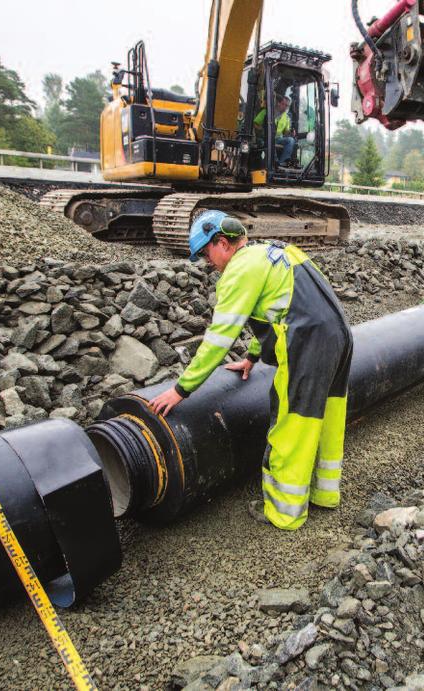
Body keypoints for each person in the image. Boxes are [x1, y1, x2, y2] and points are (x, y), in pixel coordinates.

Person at [149, 210, 353, 530]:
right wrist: (253, 357)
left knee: (291, 427)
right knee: (327, 417)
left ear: (223, 243)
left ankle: (284, 512)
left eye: (207, 253)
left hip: (307, 344)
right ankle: (324, 494)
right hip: (339, 336)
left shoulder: (239, 269)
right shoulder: (274, 251)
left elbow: (217, 340)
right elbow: (279, 311)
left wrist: (181, 389)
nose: (209, 262)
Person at [254, 94, 295, 165]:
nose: (285, 107)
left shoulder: (286, 117)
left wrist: (290, 133)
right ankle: (274, 162)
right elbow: (255, 123)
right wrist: (262, 130)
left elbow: (285, 133)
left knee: (291, 140)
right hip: (265, 138)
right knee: (269, 141)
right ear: (278, 103)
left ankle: (281, 163)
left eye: (287, 106)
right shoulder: (266, 112)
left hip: (278, 139)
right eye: (283, 104)